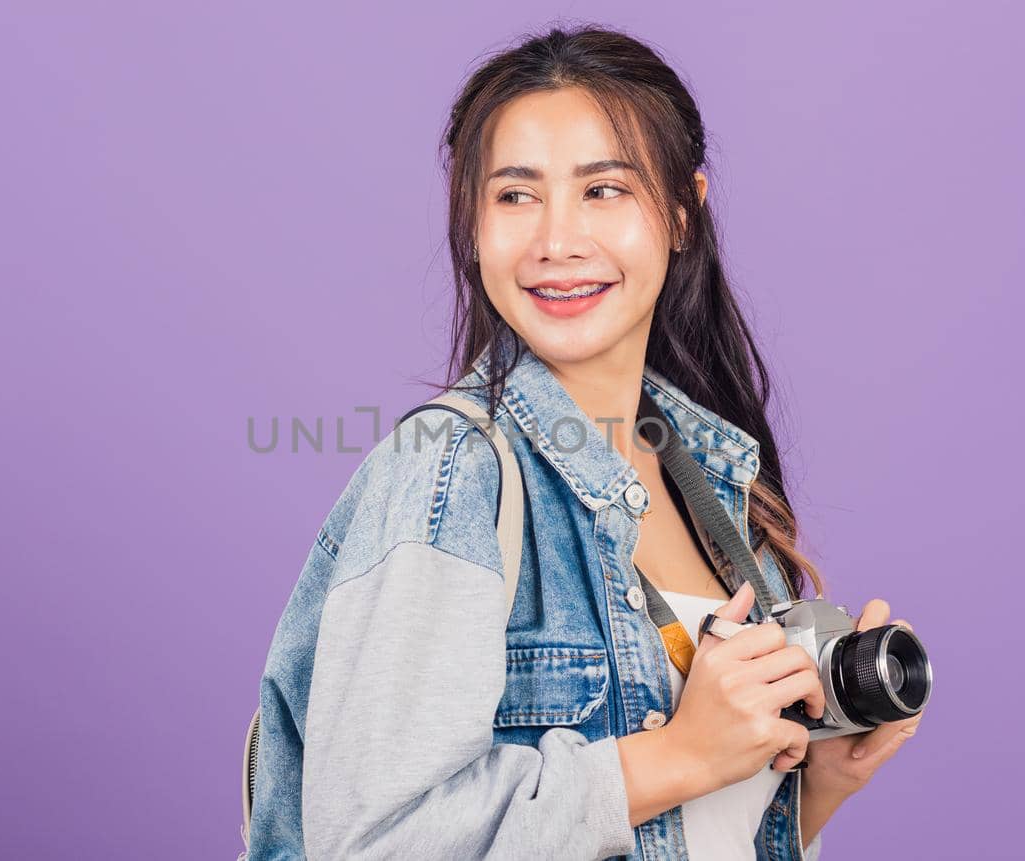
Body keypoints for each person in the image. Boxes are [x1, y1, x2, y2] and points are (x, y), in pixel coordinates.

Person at [247, 24, 923, 860]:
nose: (556, 241)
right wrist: (674, 756)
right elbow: (374, 844)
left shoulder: (712, 483)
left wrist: (814, 789)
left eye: (604, 190)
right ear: (473, 224)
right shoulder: (451, 472)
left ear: (682, 212)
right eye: (515, 195)